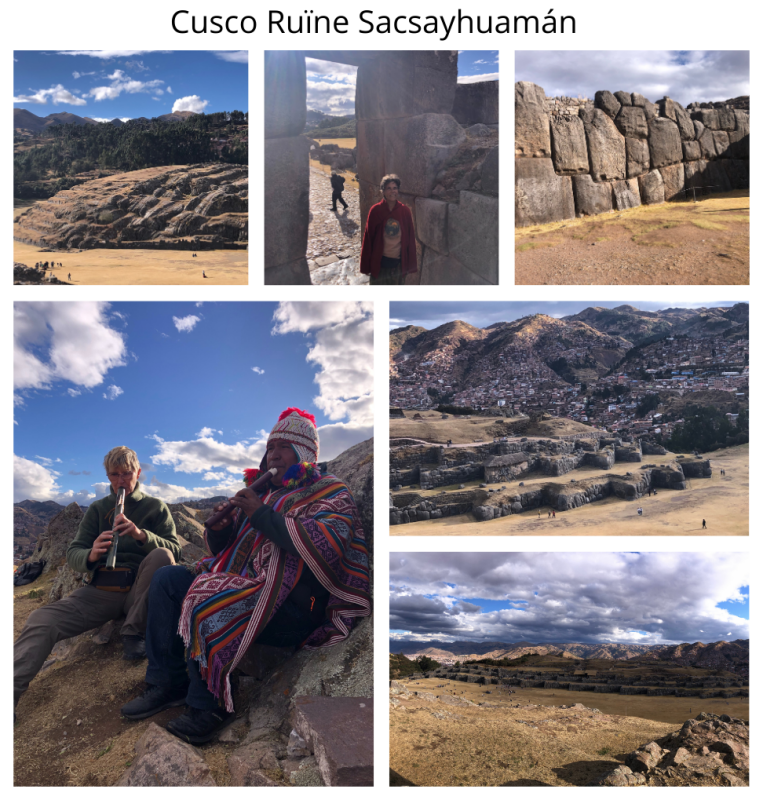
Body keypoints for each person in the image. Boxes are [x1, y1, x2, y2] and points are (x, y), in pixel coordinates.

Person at [121, 408, 371, 744]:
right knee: (167, 580)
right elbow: (228, 553)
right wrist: (224, 530)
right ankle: (166, 683)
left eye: (284, 446)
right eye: (271, 446)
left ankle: (209, 706)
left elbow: (329, 545)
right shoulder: (264, 493)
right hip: (248, 588)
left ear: (305, 452)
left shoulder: (329, 490)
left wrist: (261, 514)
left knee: (207, 593)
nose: (274, 454)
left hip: (296, 606)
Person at [14, 447, 180, 711]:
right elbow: (73, 553)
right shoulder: (98, 509)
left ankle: (133, 632)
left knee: (162, 555)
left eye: (126, 474)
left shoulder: (155, 508)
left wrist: (141, 535)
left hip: (140, 590)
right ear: (108, 476)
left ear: (138, 473)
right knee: (41, 619)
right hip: (102, 589)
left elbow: (174, 550)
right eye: (114, 475)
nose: (120, 481)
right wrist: (91, 554)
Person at [360, 174, 417, 285]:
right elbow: (368, 239)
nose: (392, 191)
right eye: (389, 188)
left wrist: (410, 265)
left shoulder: (404, 211)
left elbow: (410, 239)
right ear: (383, 191)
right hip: (379, 264)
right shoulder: (375, 210)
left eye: (395, 188)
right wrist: (366, 266)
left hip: (398, 266)